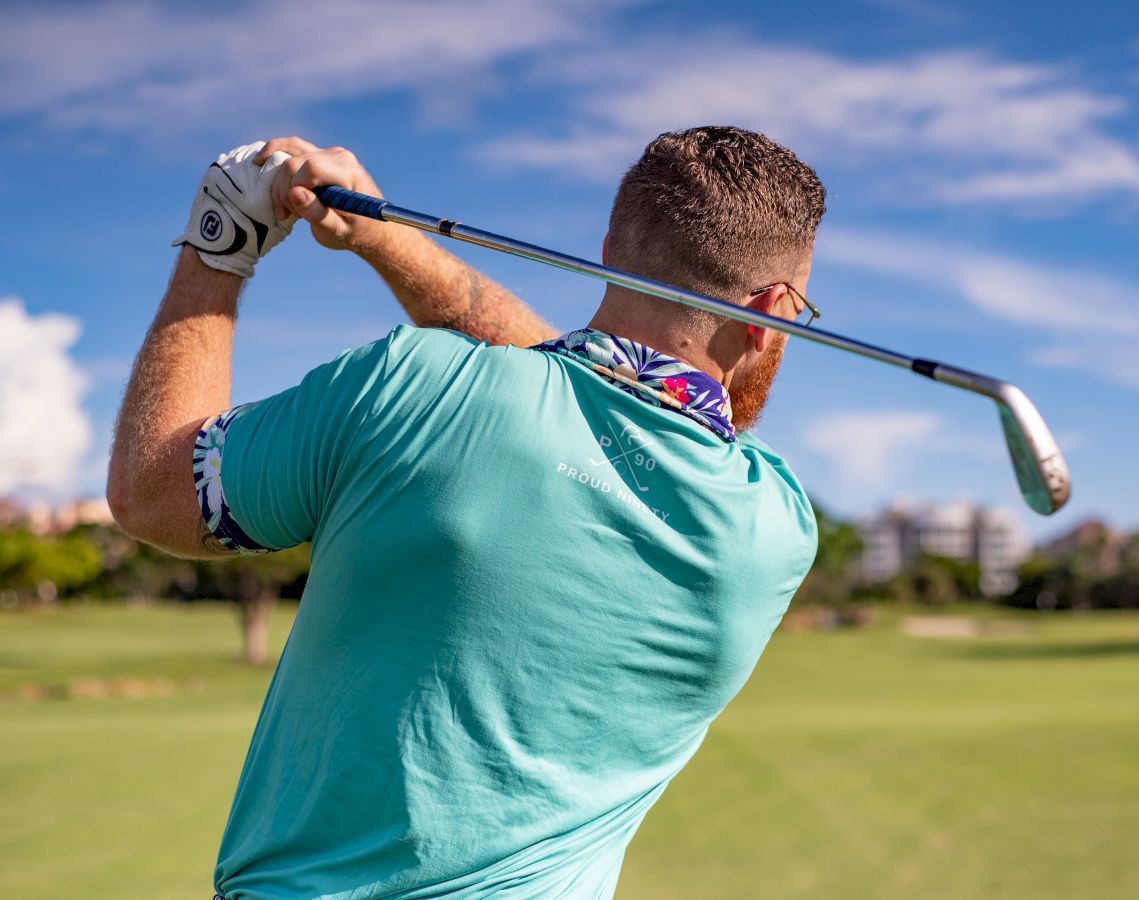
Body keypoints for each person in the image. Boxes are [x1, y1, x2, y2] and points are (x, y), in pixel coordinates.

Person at [107, 125, 826, 899]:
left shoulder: (408, 385)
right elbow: (594, 394)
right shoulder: (774, 527)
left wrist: (222, 240)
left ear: (610, 252)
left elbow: (151, 493)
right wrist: (390, 240)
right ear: (772, 312)